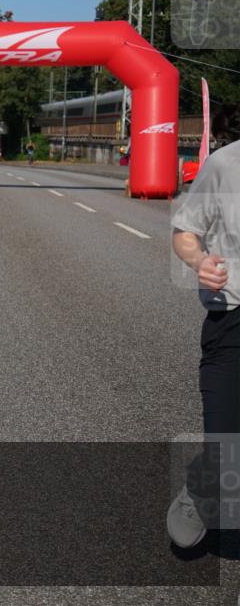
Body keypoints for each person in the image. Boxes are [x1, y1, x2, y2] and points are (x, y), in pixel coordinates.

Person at [167, 138, 239, 549]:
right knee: (229, 445)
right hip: (233, 321)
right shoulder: (226, 163)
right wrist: (199, 261)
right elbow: (185, 232)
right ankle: (202, 483)